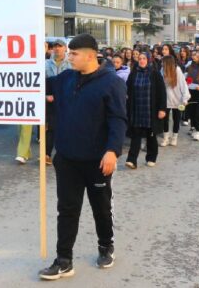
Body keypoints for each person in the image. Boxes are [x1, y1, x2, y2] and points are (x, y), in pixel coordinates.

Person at [39, 34, 127, 280]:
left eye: (73, 54)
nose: (69, 57)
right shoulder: (66, 78)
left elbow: (118, 119)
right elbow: (37, 84)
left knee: (100, 205)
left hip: (98, 159)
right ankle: (64, 260)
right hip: (67, 158)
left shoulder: (111, 83)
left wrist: (112, 150)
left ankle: (105, 245)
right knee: (66, 208)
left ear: (90, 55)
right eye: (69, 53)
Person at [125, 52, 166, 168]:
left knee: (151, 135)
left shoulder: (154, 74)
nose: (142, 60)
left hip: (150, 110)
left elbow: (162, 93)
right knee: (136, 135)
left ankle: (151, 157)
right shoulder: (134, 73)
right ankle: (132, 160)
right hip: (137, 109)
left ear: (148, 60)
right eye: (140, 58)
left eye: (144, 58)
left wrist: (162, 109)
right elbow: (128, 88)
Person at [41, 39, 72, 164]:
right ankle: (47, 154)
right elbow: (40, 83)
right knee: (50, 128)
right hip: (50, 100)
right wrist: (45, 96)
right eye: (55, 46)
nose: (57, 48)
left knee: (66, 127)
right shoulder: (45, 64)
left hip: (67, 100)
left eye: (60, 46)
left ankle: (64, 153)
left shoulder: (71, 63)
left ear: (65, 48)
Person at [160, 56, 189, 147]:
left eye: (163, 62)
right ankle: (166, 138)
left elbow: (183, 84)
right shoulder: (162, 70)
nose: (161, 64)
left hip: (177, 98)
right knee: (165, 119)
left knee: (176, 119)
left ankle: (174, 137)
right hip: (166, 98)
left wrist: (185, 98)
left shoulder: (177, 70)